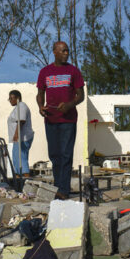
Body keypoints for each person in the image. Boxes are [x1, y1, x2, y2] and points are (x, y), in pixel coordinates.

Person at [36, 41, 84, 199]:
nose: (66, 53)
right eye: (63, 51)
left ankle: (63, 190)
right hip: (51, 120)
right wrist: (40, 106)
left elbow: (80, 96)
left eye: (67, 51)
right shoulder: (45, 72)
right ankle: (58, 187)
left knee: (65, 154)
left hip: (68, 121)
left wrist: (70, 105)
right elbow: (40, 93)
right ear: (54, 52)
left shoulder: (73, 71)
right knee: (54, 155)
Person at [7, 90, 34, 177]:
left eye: (12, 98)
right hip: (18, 139)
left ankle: (26, 179)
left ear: (18, 98)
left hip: (22, 138)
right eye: (9, 98)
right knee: (16, 160)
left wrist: (16, 134)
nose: (10, 100)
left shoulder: (21, 106)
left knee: (21, 159)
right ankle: (18, 180)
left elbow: (21, 121)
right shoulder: (17, 107)